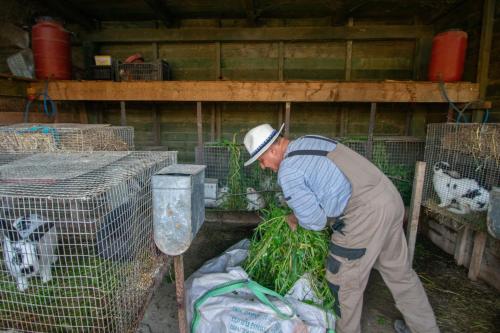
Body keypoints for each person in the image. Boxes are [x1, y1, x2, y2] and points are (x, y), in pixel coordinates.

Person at [243, 123, 439, 333]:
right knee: (399, 273)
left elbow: (315, 222)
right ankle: (425, 329)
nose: (263, 167)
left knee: (344, 282)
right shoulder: (309, 139)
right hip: (388, 198)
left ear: (272, 149)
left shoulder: (289, 171)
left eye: (261, 160)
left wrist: (295, 217)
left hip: (363, 213)